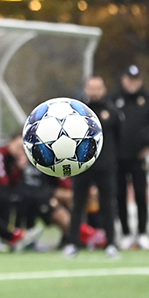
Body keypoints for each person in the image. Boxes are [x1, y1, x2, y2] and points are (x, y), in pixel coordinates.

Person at [64, 76, 120, 258]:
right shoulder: (78, 112)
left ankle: (111, 243)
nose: (95, 92)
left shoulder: (112, 112)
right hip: (82, 165)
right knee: (78, 204)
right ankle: (73, 243)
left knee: (108, 205)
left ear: (104, 90)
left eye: (98, 88)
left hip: (105, 166)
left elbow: (118, 138)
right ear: (86, 90)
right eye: (91, 88)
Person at [110, 65, 149, 250]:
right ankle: (126, 233)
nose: (132, 84)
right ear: (123, 80)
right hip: (118, 157)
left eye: (136, 80)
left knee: (141, 195)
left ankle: (142, 233)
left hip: (138, 157)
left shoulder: (148, 99)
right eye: (129, 79)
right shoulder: (114, 99)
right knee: (120, 196)